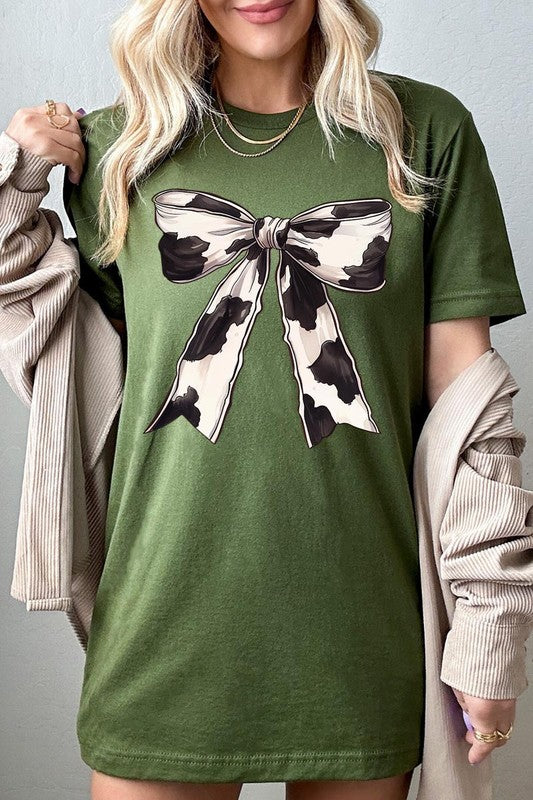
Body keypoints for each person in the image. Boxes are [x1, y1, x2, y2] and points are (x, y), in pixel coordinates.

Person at [4, 1, 527, 799]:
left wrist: (491, 627)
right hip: (162, 618)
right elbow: (46, 336)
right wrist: (20, 173)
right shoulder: (120, 145)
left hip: (362, 625)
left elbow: (473, 412)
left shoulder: (422, 132)